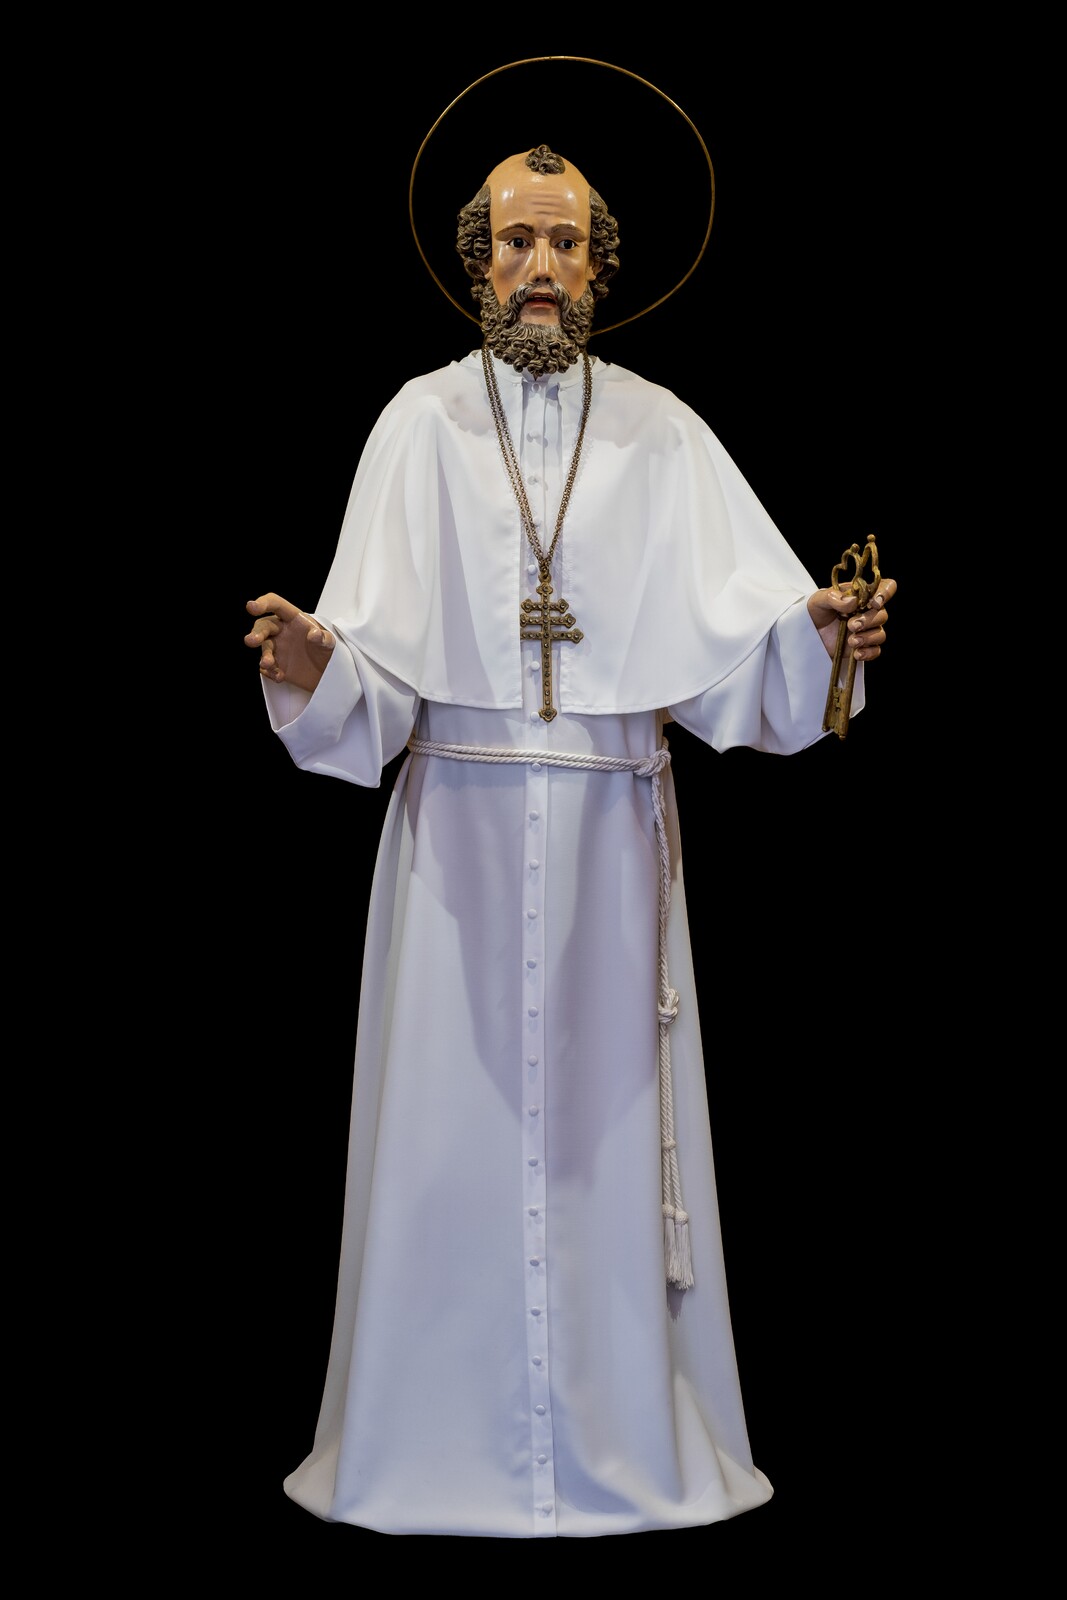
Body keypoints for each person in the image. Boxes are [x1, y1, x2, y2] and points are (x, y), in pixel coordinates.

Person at [244, 141, 897, 1539]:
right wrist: (315, 663)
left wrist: (821, 634)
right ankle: (429, 1448)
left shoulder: (663, 433)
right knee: (447, 1154)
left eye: (565, 243)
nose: (539, 268)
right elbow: (379, 681)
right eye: (515, 242)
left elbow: (741, 666)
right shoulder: (418, 425)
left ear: (602, 264)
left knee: (605, 1160)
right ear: (475, 260)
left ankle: (615, 1445)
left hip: (610, 839)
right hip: (460, 858)